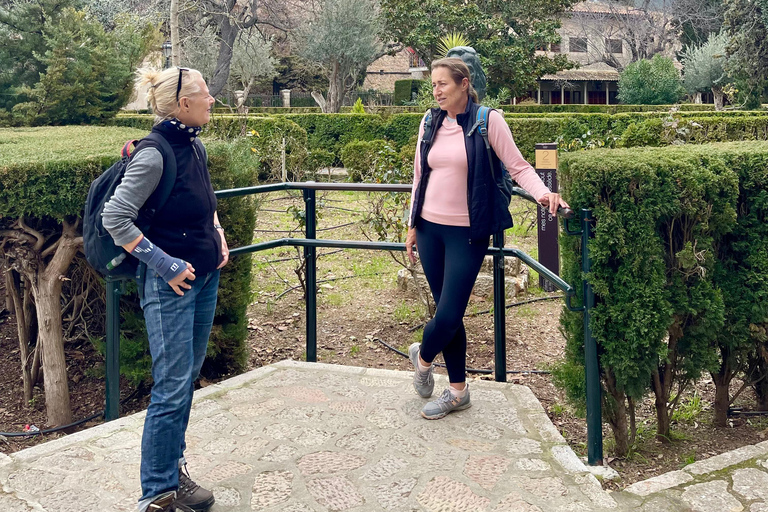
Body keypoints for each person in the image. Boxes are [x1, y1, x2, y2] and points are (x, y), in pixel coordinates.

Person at [405, 58, 569, 420]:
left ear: (464, 84)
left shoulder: (487, 120)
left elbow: (519, 166)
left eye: (442, 84)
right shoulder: (429, 121)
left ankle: (423, 358)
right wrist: (412, 223)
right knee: (450, 315)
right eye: (433, 85)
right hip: (430, 229)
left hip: (468, 232)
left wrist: (544, 194)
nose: (436, 91)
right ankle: (458, 391)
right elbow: (419, 175)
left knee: (448, 315)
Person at [102, 66, 228, 512]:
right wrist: (166, 264)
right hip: (170, 285)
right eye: (205, 94)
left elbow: (205, 203)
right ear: (182, 104)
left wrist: (218, 233)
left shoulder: (194, 145)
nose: (213, 100)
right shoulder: (155, 153)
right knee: (172, 387)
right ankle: (155, 495)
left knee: (185, 380)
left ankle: (173, 474)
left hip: (204, 277)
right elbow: (115, 219)